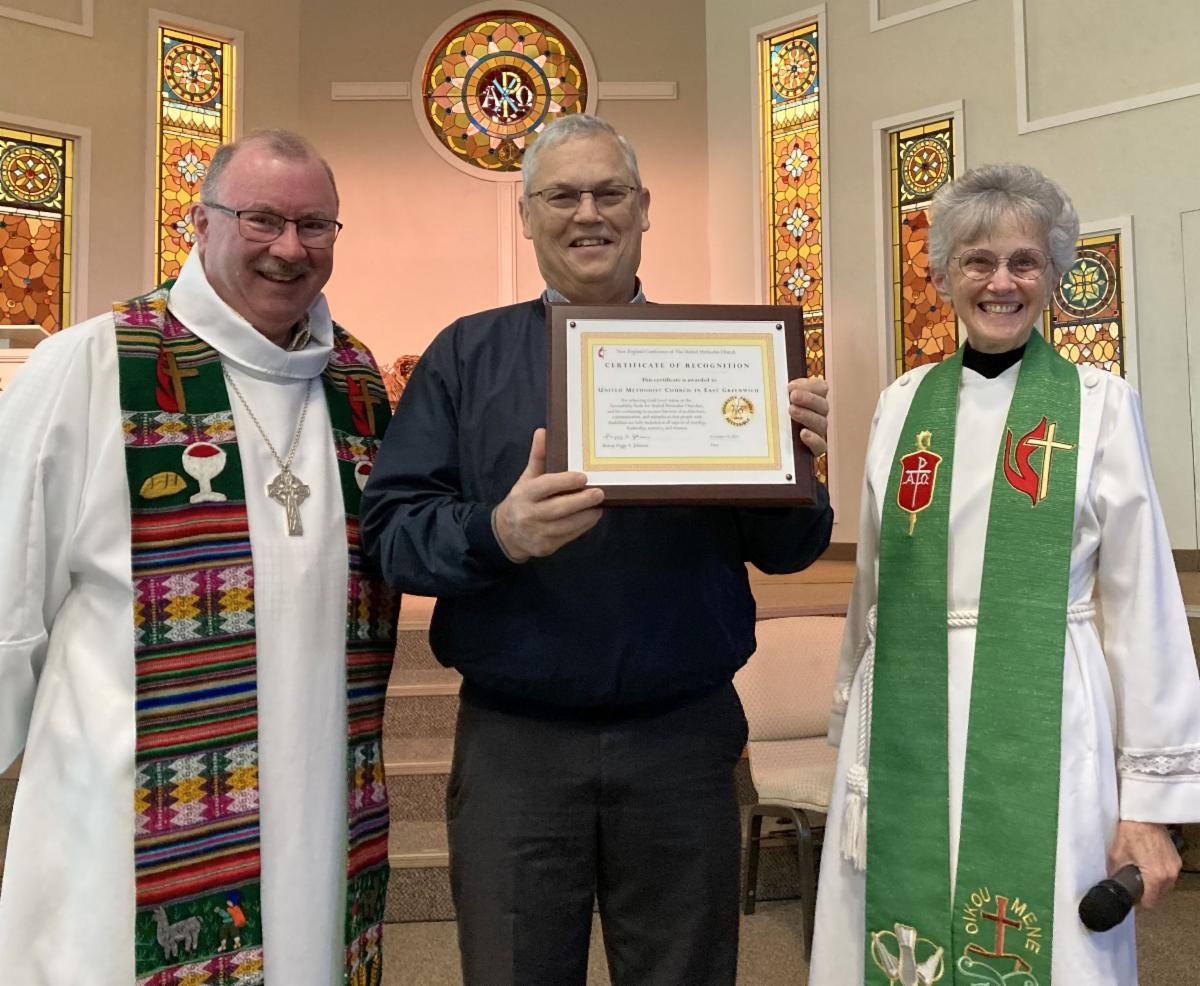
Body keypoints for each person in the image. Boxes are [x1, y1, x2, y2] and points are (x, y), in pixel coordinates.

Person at [361, 112, 834, 986]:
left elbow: (790, 551)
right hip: (516, 747)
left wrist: (798, 466)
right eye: (562, 195)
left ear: (644, 208)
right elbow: (392, 534)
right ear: (527, 214)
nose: (589, 213)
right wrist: (495, 533)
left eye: (610, 192)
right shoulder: (466, 356)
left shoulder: (726, 358)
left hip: (682, 743)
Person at [0, 130, 398, 984]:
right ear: (199, 220)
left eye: (315, 225)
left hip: (324, 802)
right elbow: (7, 597)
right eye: (261, 219)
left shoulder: (356, 383)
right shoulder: (95, 365)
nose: (289, 248)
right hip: (128, 812)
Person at [809, 163, 1200, 984]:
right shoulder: (900, 403)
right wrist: (851, 737)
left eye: (1025, 261)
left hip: (1047, 722)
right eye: (977, 261)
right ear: (944, 274)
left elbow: (1142, 607)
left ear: (1055, 274)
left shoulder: (1098, 403)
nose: (1001, 282)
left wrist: (1151, 806)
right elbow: (871, 588)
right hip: (909, 717)